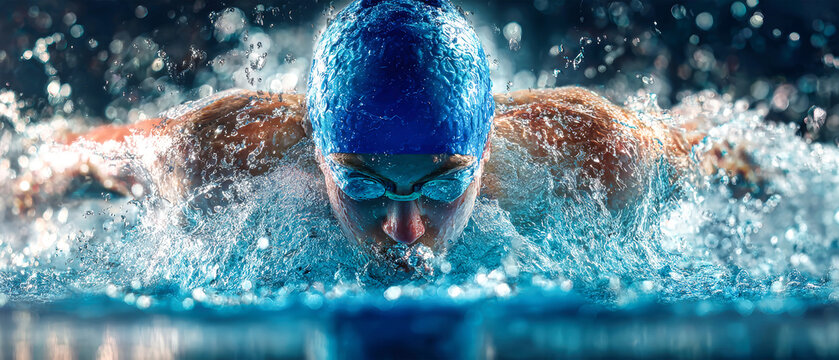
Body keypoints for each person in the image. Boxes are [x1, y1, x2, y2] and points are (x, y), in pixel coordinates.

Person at [13, 0, 753, 251]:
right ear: (319, 151)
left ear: (484, 147)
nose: (405, 228)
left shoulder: (593, 154)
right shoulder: (225, 154)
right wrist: (32, 180)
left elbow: (717, 145)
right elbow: (99, 158)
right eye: (362, 183)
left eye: (442, 182)